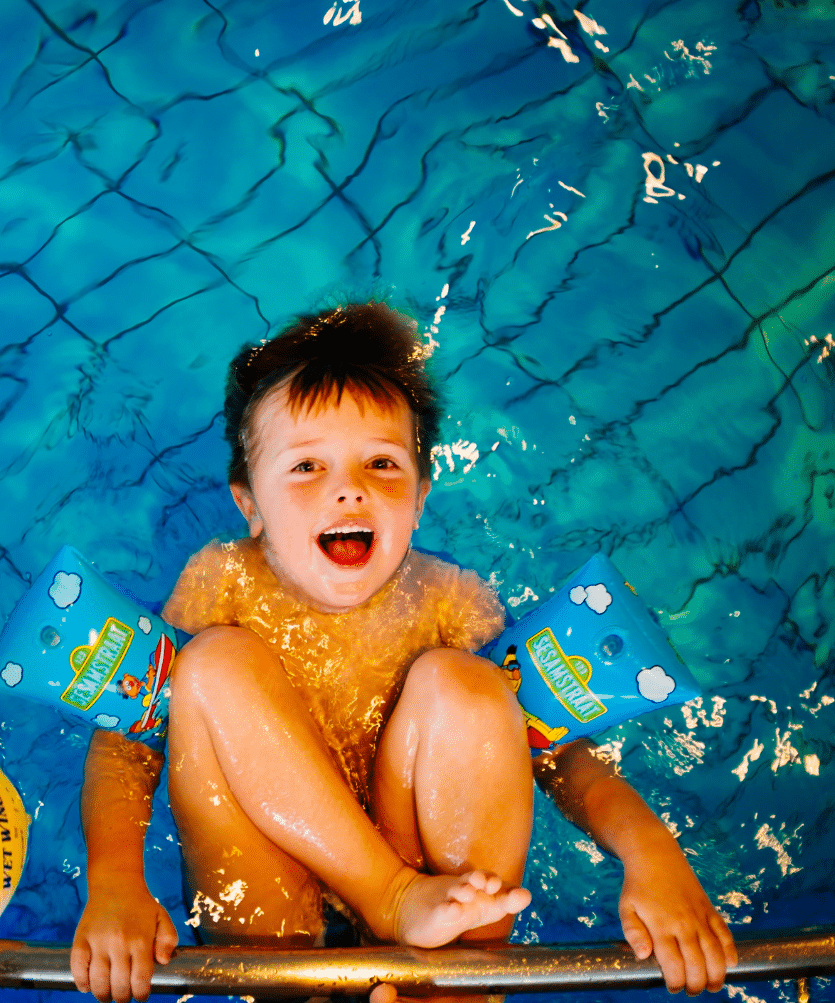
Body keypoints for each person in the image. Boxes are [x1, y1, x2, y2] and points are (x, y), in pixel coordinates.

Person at [69, 304, 737, 1003]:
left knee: (473, 687)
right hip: (273, 909)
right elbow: (128, 741)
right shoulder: (221, 580)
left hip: (431, 887)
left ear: (418, 497)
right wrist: (115, 879)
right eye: (304, 466)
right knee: (210, 664)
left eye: (382, 463)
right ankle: (375, 919)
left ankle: (450, 985)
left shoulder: (450, 598)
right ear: (250, 503)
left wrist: (650, 851)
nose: (347, 487)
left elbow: (554, 751)